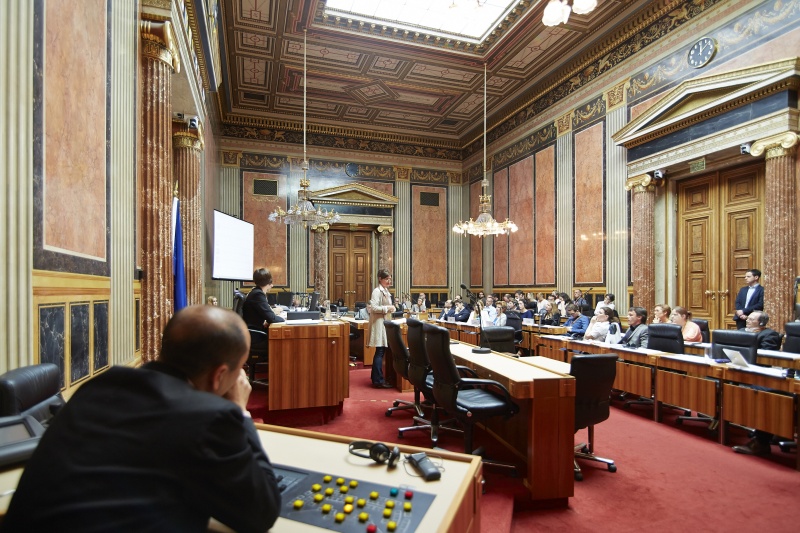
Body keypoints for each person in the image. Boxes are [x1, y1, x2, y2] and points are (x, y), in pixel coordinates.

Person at [2, 306, 281, 532]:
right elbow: (261, 513)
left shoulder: (99, 386)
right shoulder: (210, 417)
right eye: (240, 369)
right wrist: (239, 410)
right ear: (220, 375)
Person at [731, 311, 786, 456]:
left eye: (751, 319)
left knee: (763, 392)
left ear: (761, 323)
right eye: (747, 318)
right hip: (742, 369)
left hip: (758, 372)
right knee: (726, 383)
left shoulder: (769, 334)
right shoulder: (742, 331)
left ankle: (761, 441)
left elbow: (765, 356)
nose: (747, 321)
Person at [367, 269, 395, 388]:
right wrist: (388, 308)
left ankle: (376, 377)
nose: (389, 281)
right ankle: (378, 380)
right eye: (386, 279)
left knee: (381, 351)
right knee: (380, 351)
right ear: (380, 279)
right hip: (379, 324)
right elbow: (373, 308)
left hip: (385, 323)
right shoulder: (377, 291)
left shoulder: (386, 291)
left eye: (390, 279)